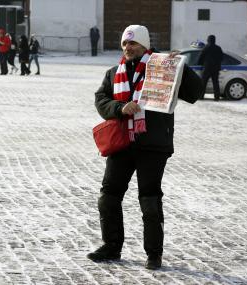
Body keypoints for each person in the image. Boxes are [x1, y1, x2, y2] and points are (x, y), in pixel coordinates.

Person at [88, 24, 203, 270]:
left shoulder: (163, 69)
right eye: (125, 44)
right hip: (121, 143)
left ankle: (153, 254)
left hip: (153, 145)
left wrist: (180, 66)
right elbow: (101, 100)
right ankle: (111, 246)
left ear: (145, 46)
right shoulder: (113, 73)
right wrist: (120, 108)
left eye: (133, 43)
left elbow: (195, 93)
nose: (128, 48)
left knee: (149, 200)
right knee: (108, 197)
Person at [197, 35, 223, 101]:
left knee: (203, 83)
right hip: (216, 69)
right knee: (215, 83)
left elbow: (201, 56)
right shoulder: (218, 48)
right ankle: (217, 97)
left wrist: (199, 63)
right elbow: (221, 58)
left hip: (207, 68)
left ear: (208, 40)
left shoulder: (206, 47)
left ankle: (201, 96)